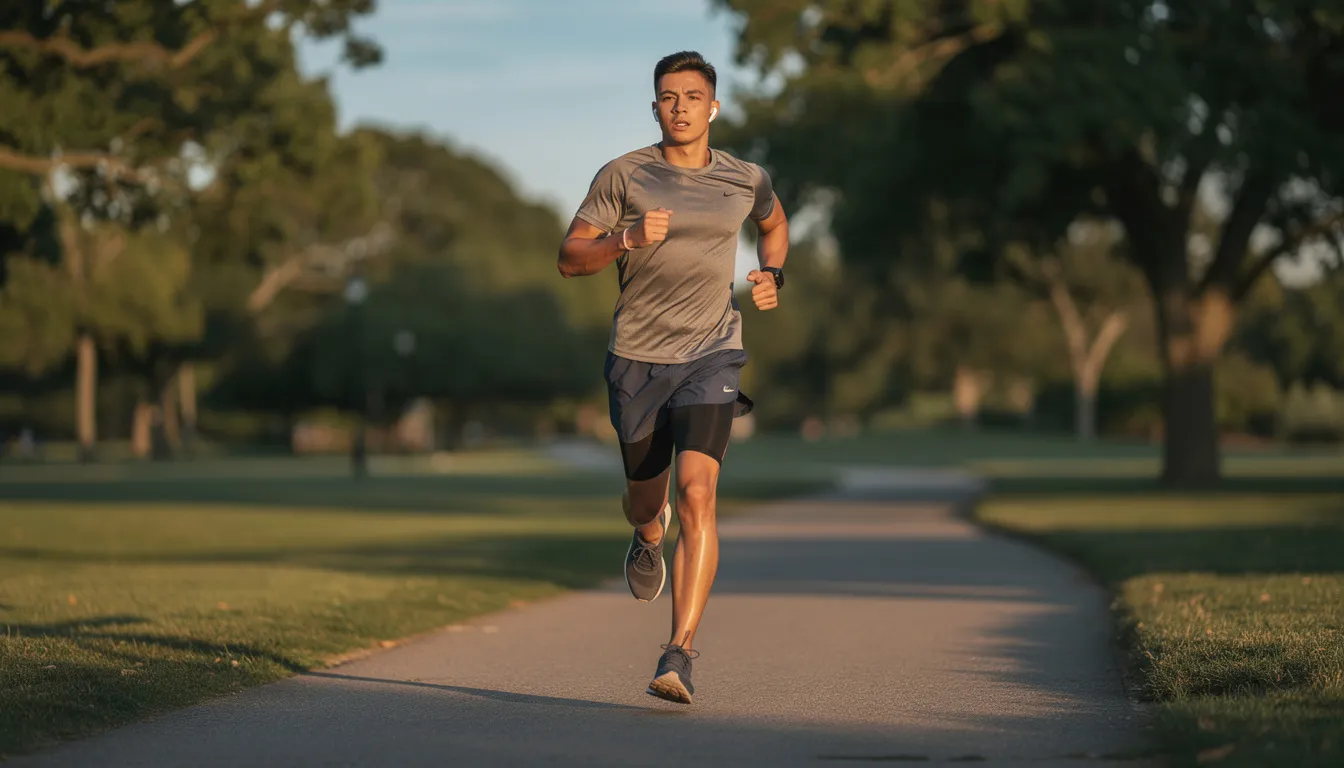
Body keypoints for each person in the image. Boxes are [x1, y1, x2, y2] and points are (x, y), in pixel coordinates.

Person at [557, 50, 789, 704]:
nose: (680, 105)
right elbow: (570, 257)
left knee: (698, 493)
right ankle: (645, 536)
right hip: (637, 359)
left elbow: (775, 226)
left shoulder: (745, 178)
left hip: (712, 352)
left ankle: (679, 651)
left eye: (692, 96)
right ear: (655, 106)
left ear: (713, 107)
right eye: (667, 96)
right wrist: (622, 241)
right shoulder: (624, 175)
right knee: (648, 503)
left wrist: (773, 274)